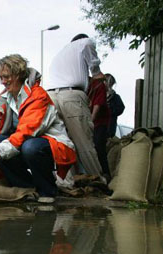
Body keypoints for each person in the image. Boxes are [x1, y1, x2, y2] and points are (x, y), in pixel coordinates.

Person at [0, 54, 76, 203]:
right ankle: (27, 188)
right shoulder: (6, 98)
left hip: (51, 145)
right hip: (23, 142)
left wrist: (1, 150)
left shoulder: (38, 96)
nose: (3, 82)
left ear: (18, 74)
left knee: (29, 147)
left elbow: (28, 130)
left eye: (6, 77)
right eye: (1, 78)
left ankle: (47, 190)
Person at [46, 33, 105, 178]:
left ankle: (68, 181)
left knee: (64, 143)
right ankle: (97, 180)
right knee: (83, 141)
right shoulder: (84, 42)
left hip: (51, 97)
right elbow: (87, 45)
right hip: (71, 96)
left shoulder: (61, 53)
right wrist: (96, 71)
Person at [87, 75, 110, 177]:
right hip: (88, 121)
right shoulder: (82, 86)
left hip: (99, 122)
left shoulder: (98, 86)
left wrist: (90, 122)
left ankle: (105, 174)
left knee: (99, 147)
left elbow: (97, 106)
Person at [105, 73, 125, 138]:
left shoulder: (115, 97)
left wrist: (110, 111)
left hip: (109, 127)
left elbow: (120, 108)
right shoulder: (98, 95)